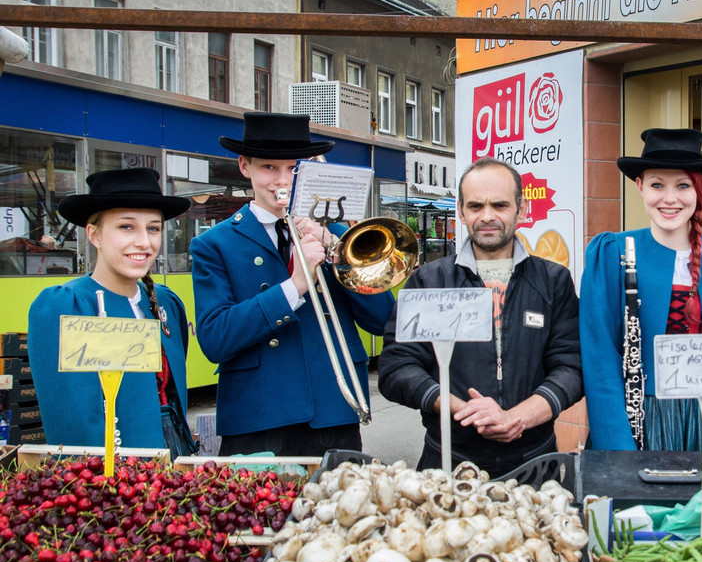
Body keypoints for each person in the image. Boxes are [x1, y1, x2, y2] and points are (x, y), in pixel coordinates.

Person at [190, 113, 396, 456]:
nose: (283, 180)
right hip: (256, 417)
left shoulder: (337, 236)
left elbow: (383, 321)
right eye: (269, 167)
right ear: (244, 166)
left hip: (333, 411)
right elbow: (214, 339)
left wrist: (337, 252)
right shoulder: (215, 244)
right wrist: (296, 285)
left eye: (294, 168)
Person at [378, 157, 583, 477]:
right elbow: (396, 368)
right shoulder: (431, 281)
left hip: (536, 464)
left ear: (522, 209)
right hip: (447, 461)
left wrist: (516, 418)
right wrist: (468, 412)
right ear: (461, 211)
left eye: (499, 205)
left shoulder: (553, 281)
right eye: (475, 206)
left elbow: (571, 367)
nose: (487, 216)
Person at [580, 128, 702, 470]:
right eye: (657, 185)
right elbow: (600, 361)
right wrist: (619, 453)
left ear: (700, 189)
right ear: (640, 186)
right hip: (642, 423)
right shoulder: (610, 253)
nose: (670, 198)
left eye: (683, 185)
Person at [28, 168, 197, 457]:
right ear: (94, 234)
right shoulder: (67, 305)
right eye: (126, 227)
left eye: (153, 228)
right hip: (113, 471)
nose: (144, 242)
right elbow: (71, 420)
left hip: (176, 459)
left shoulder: (166, 303)